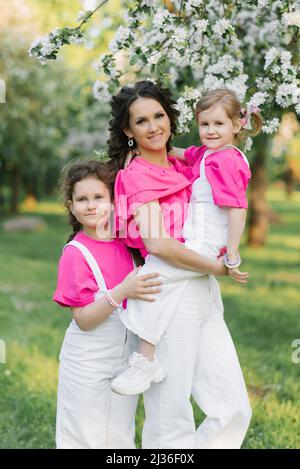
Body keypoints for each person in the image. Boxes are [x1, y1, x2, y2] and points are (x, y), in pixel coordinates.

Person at [108, 80, 252, 449]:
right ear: (128, 130)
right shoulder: (138, 173)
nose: (154, 126)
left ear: (170, 118)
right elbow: (159, 243)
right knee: (171, 419)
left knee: (232, 407)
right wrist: (218, 266)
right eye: (141, 121)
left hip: (203, 293)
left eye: (159, 116)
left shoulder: (185, 159)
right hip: (172, 295)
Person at [53, 159, 162, 449]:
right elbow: (84, 320)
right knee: (84, 436)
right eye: (82, 199)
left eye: (99, 197)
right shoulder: (76, 253)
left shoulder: (127, 243)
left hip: (124, 358)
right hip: (87, 361)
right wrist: (121, 291)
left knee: (118, 436)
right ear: (71, 205)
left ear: (113, 200)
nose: (91, 205)